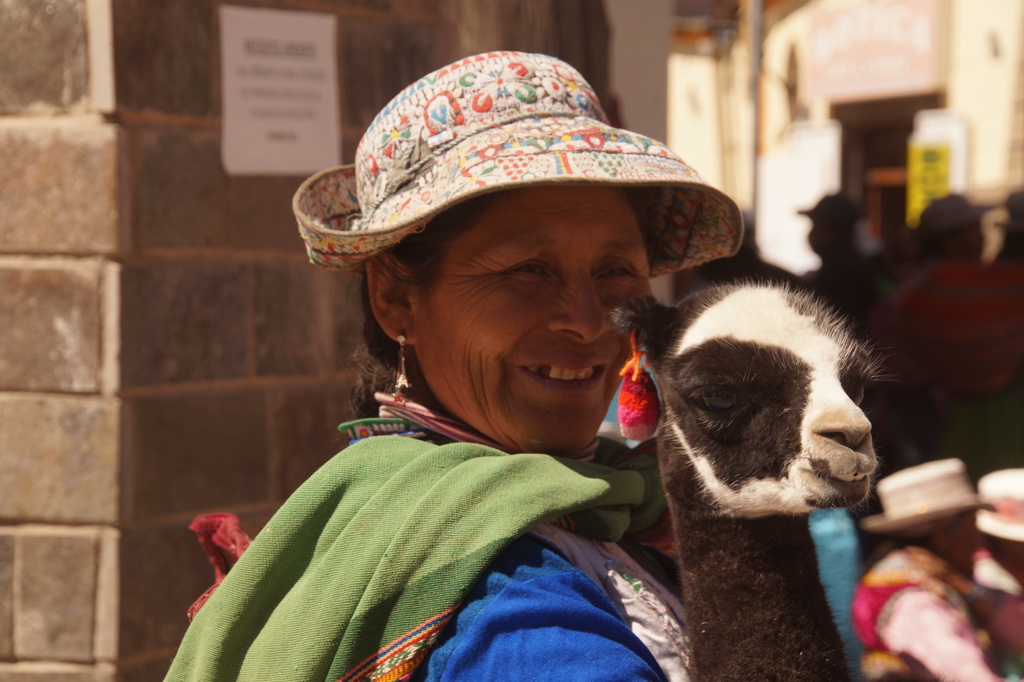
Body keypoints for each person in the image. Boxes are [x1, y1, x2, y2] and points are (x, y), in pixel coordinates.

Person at [163, 51, 743, 681]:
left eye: (616, 271)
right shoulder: (511, 604)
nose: (588, 318)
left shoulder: (620, 506)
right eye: (527, 269)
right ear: (395, 298)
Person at [852, 459, 1024, 681]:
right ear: (945, 534)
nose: (980, 543)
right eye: (974, 527)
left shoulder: (927, 582)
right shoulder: (918, 605)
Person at [798, 192, 877, 337]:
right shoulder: (849, 263)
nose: (812, 232)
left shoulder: (840, 271)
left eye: (817, 225)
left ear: (831, 229)